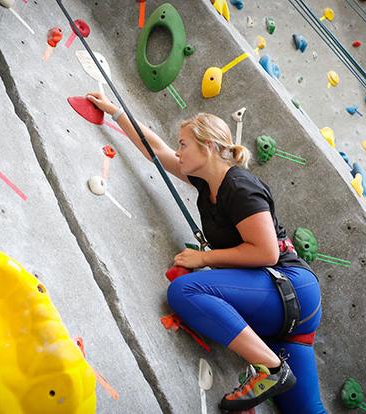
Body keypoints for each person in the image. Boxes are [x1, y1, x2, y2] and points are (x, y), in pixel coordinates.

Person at [87, 91, 326, 413]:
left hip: (289, 286)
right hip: (283, 313)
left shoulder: (240, 187)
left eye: (184, 144)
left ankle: (271, 368)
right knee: (305, 411)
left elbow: (267, 252)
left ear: (209, 147)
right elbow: (156, 150)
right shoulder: (204, 182)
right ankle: (274, 368)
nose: (179, 151)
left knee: (186, 290)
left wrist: (205, 258)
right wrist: (116, 112)